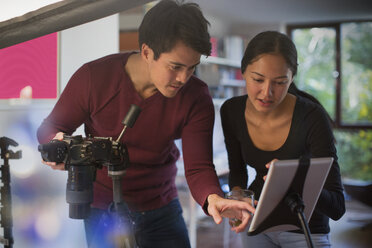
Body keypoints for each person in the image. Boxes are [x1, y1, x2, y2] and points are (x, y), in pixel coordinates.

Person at [37, 0, 255, 247]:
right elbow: (49, 129)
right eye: (175, 67)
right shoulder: (93, 79)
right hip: (102, 208)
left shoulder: (196, 96)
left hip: (161, 206)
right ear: (146, 52)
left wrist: (213, 198)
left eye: (192, 67)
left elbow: (198, 167)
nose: (183, 78)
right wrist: (59, 148)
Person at [220, 30, 345, 247]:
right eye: (258, 79)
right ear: (243, 72)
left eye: (279, 82)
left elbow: (337, 206)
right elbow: (238, 171)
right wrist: (238, 196)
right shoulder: (231, 110)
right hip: (258, 223)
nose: (267, 92)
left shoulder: (312, 116)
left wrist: (295, 178)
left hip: (305, 226)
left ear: (292, 78)